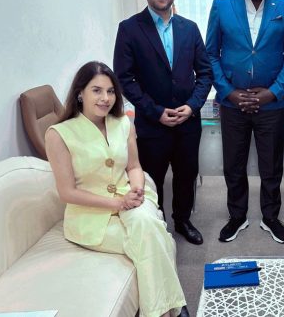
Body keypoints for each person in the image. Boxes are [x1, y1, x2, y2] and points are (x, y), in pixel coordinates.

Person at [45, 61, 188, 317]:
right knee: (156, 238)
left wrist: (137, 190)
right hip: (91, 216)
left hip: (129, 199)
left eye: (111, 91)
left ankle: (164, 311)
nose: (106, 98)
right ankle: (171, 309)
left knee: (148, 227)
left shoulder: (123, 123)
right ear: (80, 93)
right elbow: (67, 193)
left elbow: (134, 166)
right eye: (97, 90)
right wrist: (118, 203)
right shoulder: (58, 134)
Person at [205, 0, 284, 244]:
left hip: (270, 104)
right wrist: (229, 93)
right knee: (233, 164)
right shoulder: (222, 5)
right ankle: (237, 216)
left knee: (271, 165)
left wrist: (272, 93)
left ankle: (270, 217)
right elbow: (211, 54)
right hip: (233, 103)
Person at [114, 0, 213, 245]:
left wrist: (192, 106)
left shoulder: (189, 29)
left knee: (186, 175)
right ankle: (155, 223)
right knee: (152, 179)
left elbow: (205, 73)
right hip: (152, 123)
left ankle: (183, 220)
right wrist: (155, 111)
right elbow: (124, 78)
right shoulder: (129, 29)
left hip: (187, 122)